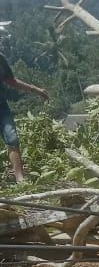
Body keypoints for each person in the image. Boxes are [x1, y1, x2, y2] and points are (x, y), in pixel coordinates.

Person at [1, 52, 49, 183]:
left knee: (12, 138)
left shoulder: (1, 59)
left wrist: (36, 89)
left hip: (1, 107)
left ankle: (20, 179)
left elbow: (11, 81)